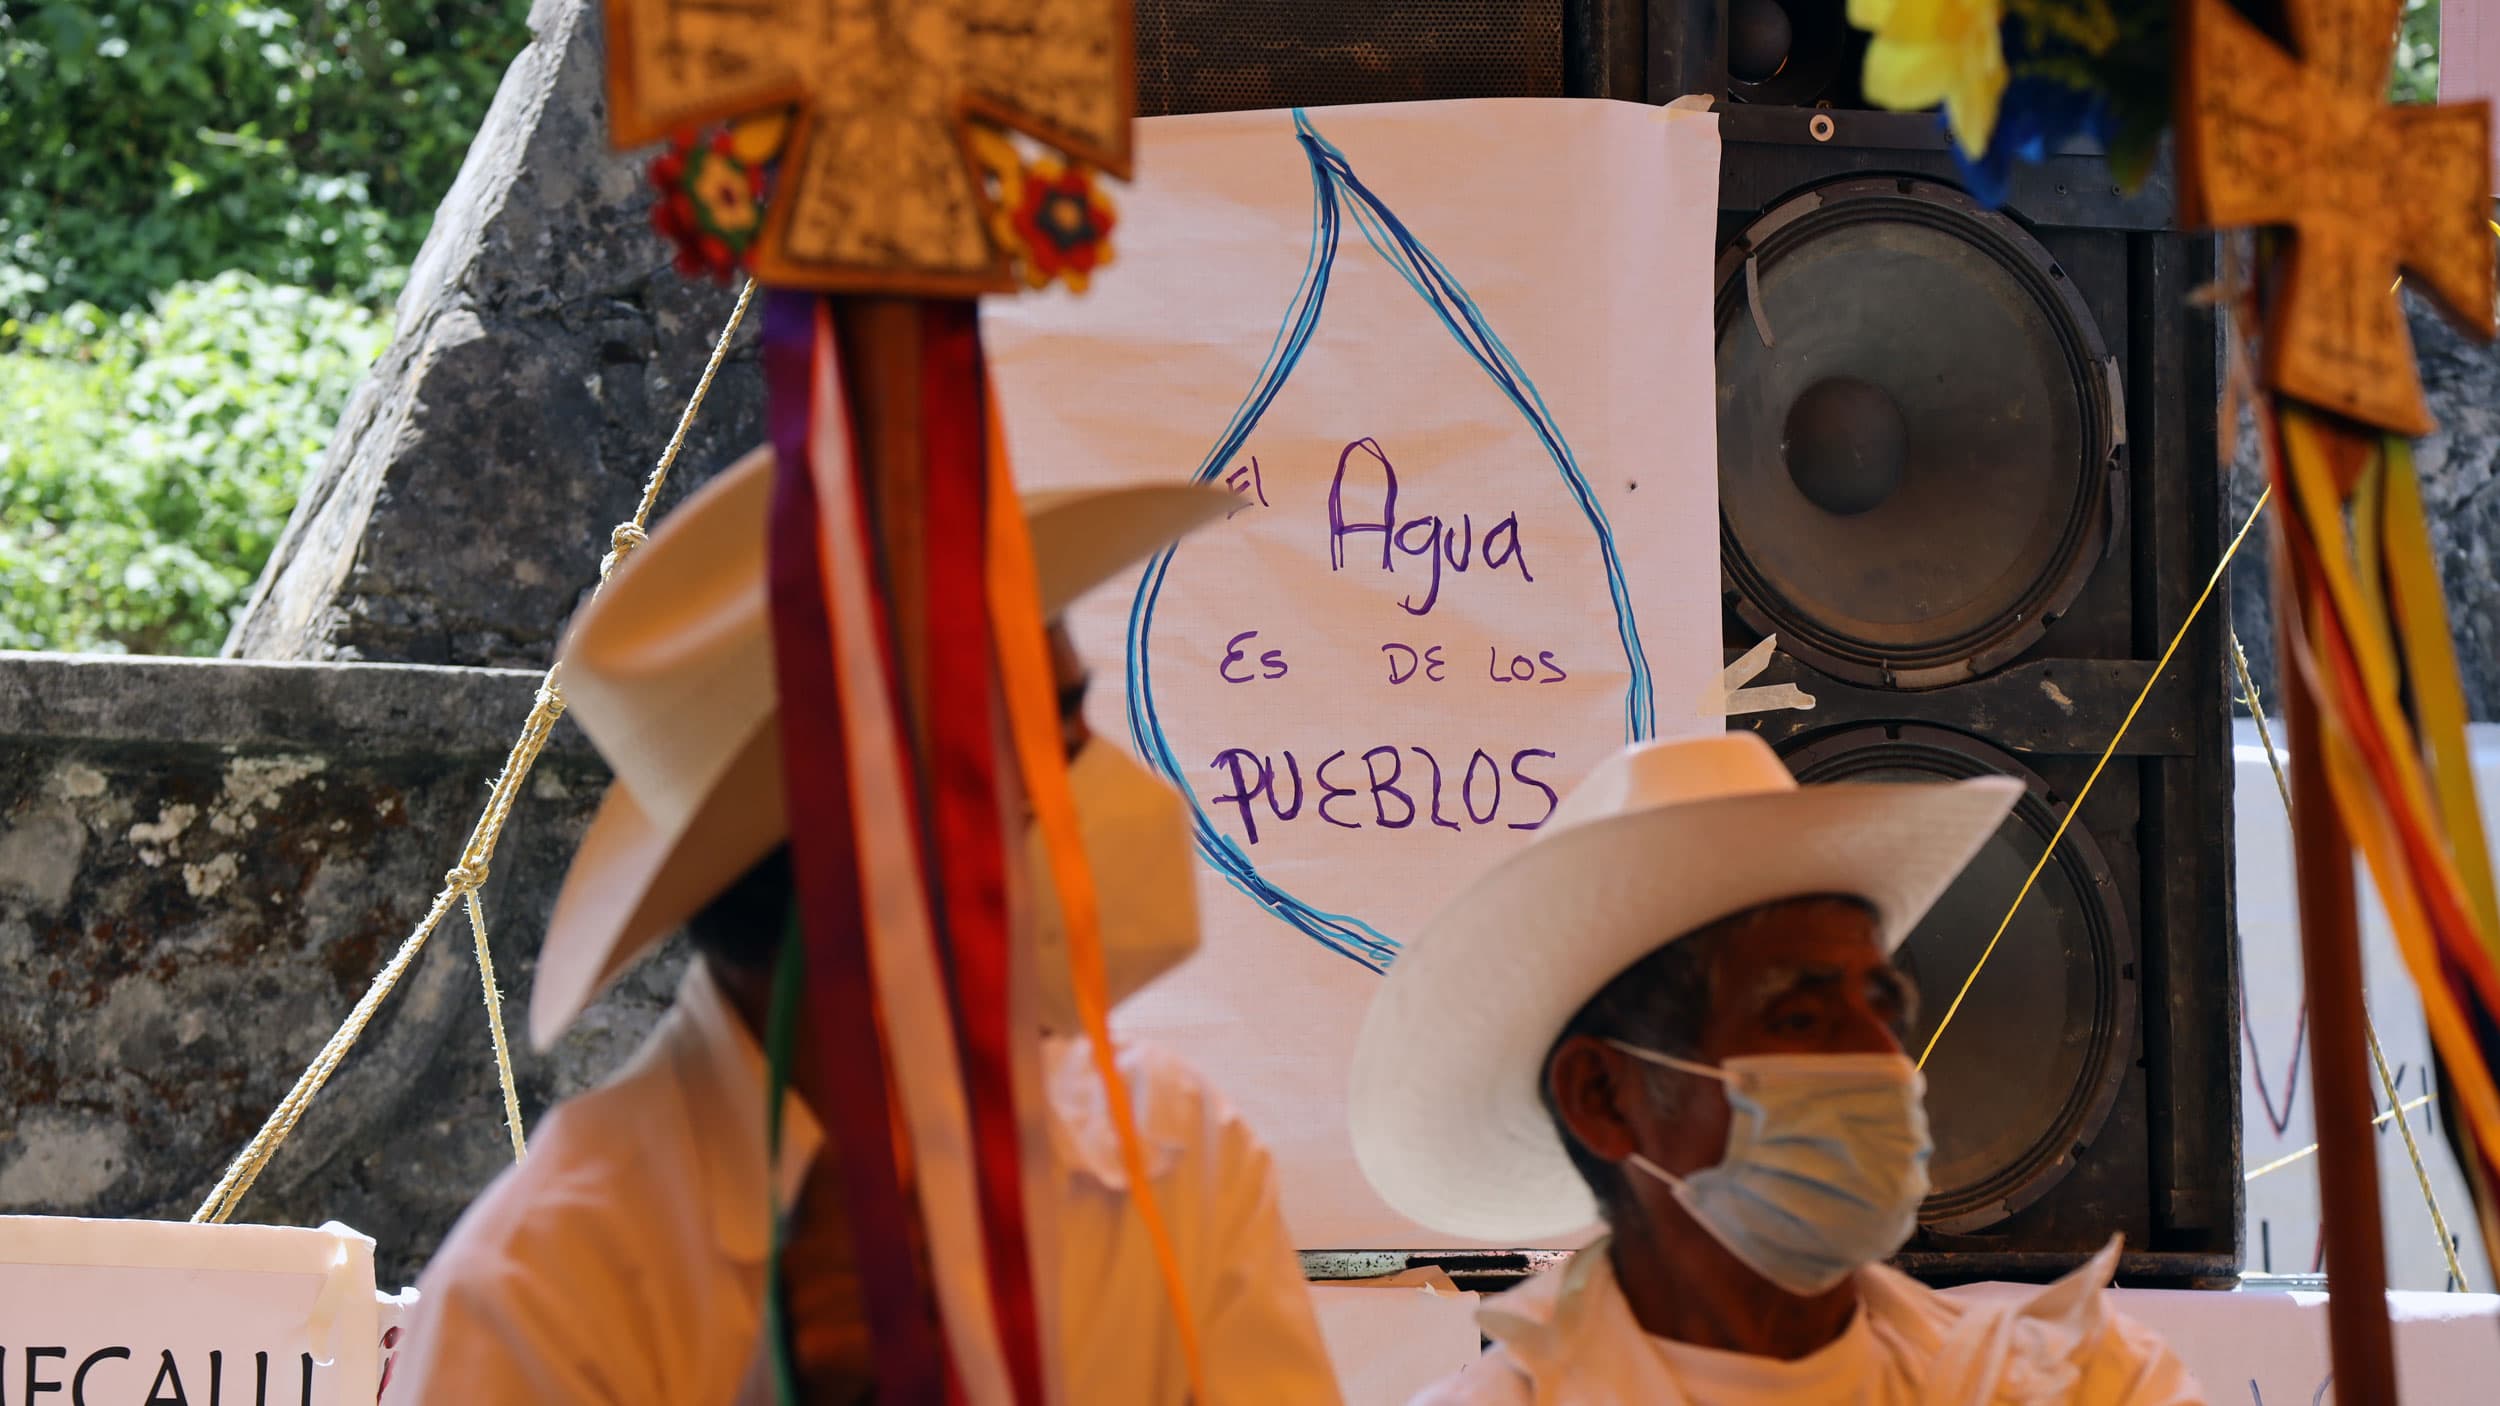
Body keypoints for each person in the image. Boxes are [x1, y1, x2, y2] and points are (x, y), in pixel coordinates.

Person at [389, 444, 1344, 1405]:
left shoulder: (1176, 1160)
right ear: (859, 858)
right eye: (1045, 742)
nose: (1103, 791)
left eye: (1077, 723)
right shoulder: (544, 1299)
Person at [1348, 733, 2207, 1405]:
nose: (1885, 1061)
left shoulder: (2082, 1386)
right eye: (1798, 1018)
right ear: (1603, 1097)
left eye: (1885, 1008)